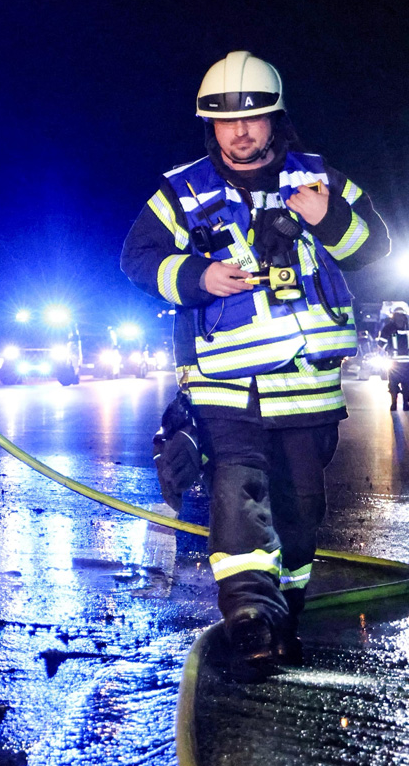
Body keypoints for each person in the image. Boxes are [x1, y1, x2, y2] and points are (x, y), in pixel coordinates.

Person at [120, 51, 391, 675]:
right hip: (226, 388)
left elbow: (374, 246)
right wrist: (198, 275)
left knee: (299, 511)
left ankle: (283, 612)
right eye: (225, 121)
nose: (239, 132)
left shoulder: (320, 180)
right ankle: (249, 619)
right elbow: (138, 257)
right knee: (238, 499)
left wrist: (328, 218)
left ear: (275, 119)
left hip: (309, 390)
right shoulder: (182, 192)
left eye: (252, 118)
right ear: (210, 127)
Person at [381, 307, 409, 410]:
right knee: (396, 384)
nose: (399, 319)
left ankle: (401, 404)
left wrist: (388, 350)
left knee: (402, 384)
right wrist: (389, 350)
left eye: (401, 316)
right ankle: (398, 403)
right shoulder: (388, 328)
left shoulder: (388, 328)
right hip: (397, 362)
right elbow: (382, 343)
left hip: (400, 362)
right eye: (398, 316)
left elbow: (381, 343)